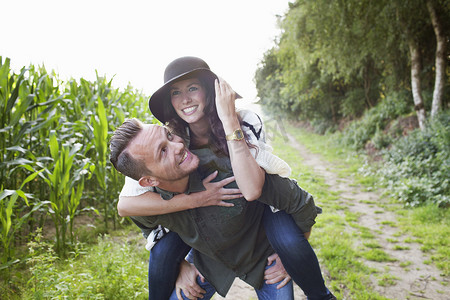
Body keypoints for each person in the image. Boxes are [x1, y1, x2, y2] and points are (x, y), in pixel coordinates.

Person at [117, 56, 334, 300]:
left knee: (289, 243)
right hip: (211, 249)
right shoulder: (171, 136)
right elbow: (127, 203)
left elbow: (254, 190)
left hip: (260, 213)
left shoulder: (242, 121)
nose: (185, 99)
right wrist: (199, 199)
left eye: (192, 88)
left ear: (211, 91)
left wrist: (229, 120)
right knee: (163, 252)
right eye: (176, 92)